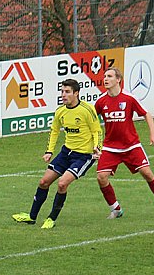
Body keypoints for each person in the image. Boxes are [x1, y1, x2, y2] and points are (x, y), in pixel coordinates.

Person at [12, 79, 102, 229]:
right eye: (62, 92)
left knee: (62, 183)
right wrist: (49, 151)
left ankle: (51, 218)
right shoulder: (60, 111)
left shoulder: (87, 110)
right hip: (66, 152)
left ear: (76, 93)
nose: (63, 95)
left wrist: (97, 147)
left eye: (67, 92)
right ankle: (31, 217)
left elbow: (96, 130)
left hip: (84, 156)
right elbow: (54, 131)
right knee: (43, 182)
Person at [95, 67, 154, 220]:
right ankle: (115, 209)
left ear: (118, 80)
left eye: (109, 76)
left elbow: (146, 114)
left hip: (131, 145)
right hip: (110, 147)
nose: (105, 79)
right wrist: (94, 144)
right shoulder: (100, 101)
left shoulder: (129, 98)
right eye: (104, 76)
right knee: (101, 177)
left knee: (147, 173)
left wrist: (153, 133)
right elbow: (92, 121)